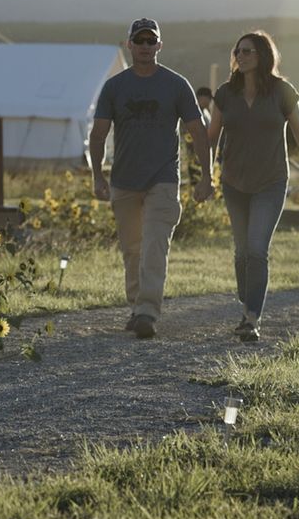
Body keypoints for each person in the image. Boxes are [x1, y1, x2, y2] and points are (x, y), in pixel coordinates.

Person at [89, 18, 213, 340]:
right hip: (124, 179)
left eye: (150, 41)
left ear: (159, 45)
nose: (145, 46)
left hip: (163, 178)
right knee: (132, 249)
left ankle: (147, 310)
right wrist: (97, 176)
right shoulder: (115, 87)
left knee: (155, 244)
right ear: (129, 44)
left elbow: (198, 132)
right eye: (139, 40)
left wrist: (207, 176)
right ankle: (136, 306)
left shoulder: (176, 85)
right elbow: (98, 134)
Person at [205, 30, 299, 343]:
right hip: (234, 182)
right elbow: (211, 138)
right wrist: (206, 176)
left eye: (247, 51)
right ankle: (249, 298)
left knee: (257, 250)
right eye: (238, 51)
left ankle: (251, 318)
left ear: (263, 55)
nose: (241, 56)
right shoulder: (225, 93)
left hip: (271, 182)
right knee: (242, 253)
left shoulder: (282, 91)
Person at [186, 86, 214, 183]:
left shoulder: (206, 113)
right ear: (201, 97)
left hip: (204, 152)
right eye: (208, 98)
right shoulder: (191, 113)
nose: (210, 102)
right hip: (193, 153)